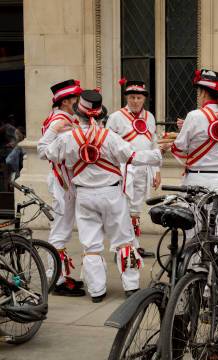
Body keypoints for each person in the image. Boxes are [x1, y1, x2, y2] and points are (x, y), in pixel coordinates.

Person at [41, 90, 162, 302]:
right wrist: (158, 153)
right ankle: (131, 287)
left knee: (91, 245)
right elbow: (134, 157)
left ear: (79, 114)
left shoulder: (68, 138)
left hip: (85, 197)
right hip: (112, 194)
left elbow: (44, 151)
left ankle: (97, 291)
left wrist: (53, 129)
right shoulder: (110, 137)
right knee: (124, 241)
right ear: (100, 115)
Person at [162, 68, 218, 281]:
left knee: (194, 233)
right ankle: (217, 285)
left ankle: (196, 281)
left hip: (197, 179)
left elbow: (182, 146)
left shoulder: (195, 116)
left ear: (203, 93)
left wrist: (173, 143)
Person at [37, 79, 86, 296]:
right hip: (62, 180)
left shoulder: (67, 118)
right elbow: (42, 150)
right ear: (66, 101)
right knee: (60, 230)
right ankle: (55, 278)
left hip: (67, 180)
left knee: (63, 229)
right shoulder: (59, 120)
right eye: (75, 98)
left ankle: (61, 275)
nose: (77, 101)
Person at [106, 79, 160, 258]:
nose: (135, 101)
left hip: (143, 169)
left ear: (144, 99)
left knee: (136, 208)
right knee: (123, 208)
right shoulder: (116, 117)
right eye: (132, 97)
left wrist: (157, 170)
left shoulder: (150, 117)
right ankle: (122, 247)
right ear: (127, 98)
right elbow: (107, 145)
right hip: (124, 169)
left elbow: (154, 143)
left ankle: (134, 245)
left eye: (138, 97)